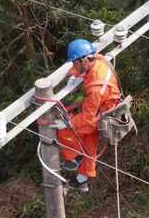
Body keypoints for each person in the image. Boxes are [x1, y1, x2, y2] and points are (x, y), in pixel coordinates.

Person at [56, 38, 121, 192]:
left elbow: (87, 118)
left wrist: (67, 123)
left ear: (84, 60)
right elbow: (82, 71)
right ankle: (81, 180)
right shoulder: (97, 59)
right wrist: (71, 74)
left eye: (75, 63)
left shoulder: (97, 88)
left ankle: (75, 158)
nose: (74, 66)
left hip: (101, 113)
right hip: (103, 107)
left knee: (66, 131)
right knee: (90, 143)